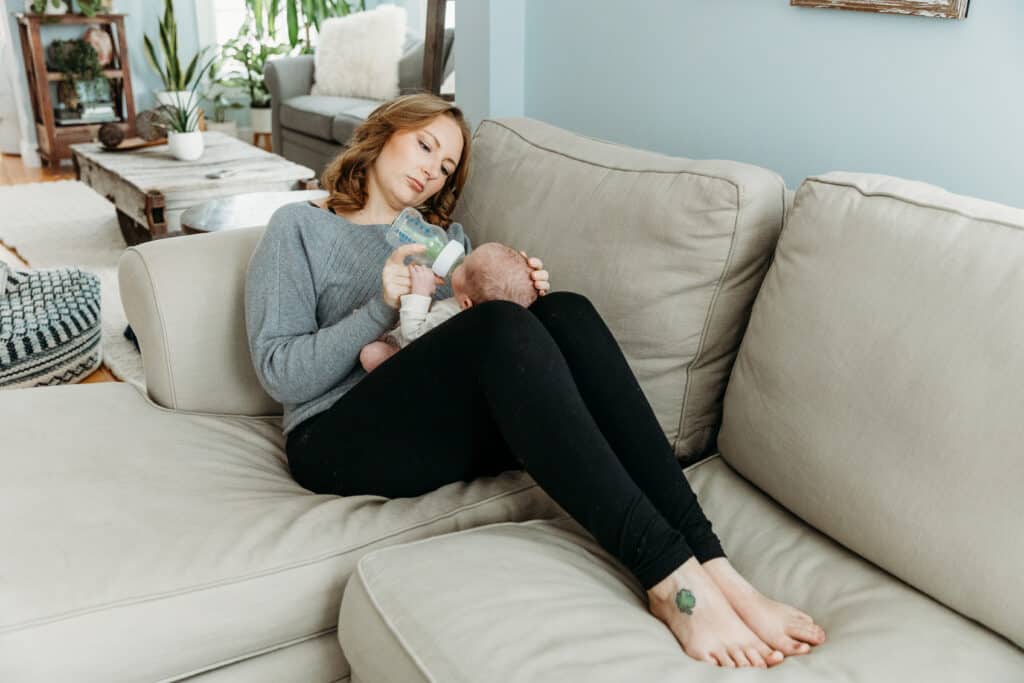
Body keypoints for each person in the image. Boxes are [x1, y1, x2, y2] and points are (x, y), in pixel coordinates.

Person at [244, 93, 826, 669]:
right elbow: (281, 376)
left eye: (445, 166)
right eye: (424, 145)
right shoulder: (300, 228)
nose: (431, 170)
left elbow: (475, 351)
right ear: (382, 132)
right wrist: (380, 304)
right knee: (500, 326)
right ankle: (672, 581)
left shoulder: (449, 244)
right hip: (336, 437)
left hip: (434, 429)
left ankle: (715, 566)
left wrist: (522, 294)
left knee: (564, 311)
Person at [360, 242, 537, 373]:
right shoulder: (466, 308)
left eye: (463, 266)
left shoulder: (452, 317)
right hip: (409, 344)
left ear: (467, 304)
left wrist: (420, 293)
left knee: (371, 354)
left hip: (412, 359)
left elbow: (413, 335)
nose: (463, 258)